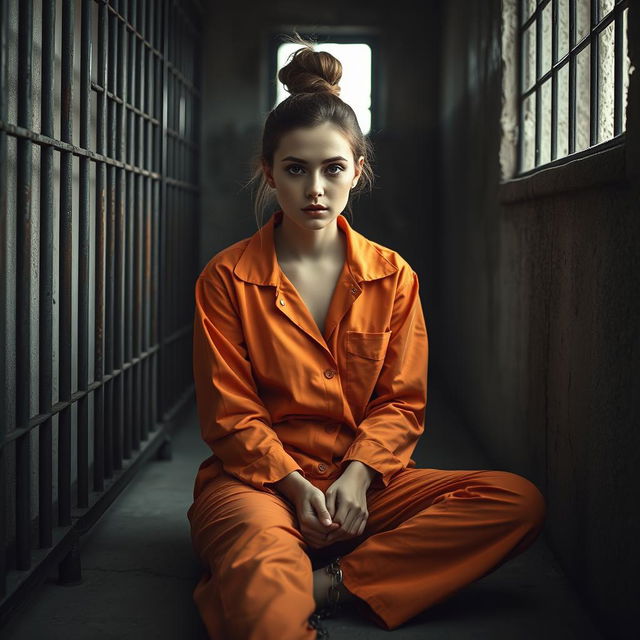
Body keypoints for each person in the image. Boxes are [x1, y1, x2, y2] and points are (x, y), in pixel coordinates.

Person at [187, 33, 546, 640]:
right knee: (268, 621)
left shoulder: (392, 274)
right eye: (295, 169)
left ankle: (328, 582)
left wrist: (356, 476)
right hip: (259, 486)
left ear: (359, 169)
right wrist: (295, 485)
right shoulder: (227, 276)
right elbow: (230, 414)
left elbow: (401, 402)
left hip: (367, 487)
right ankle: (268, 577)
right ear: (268, 173)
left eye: (333, 169)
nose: (315, 189)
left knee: (516, 502)